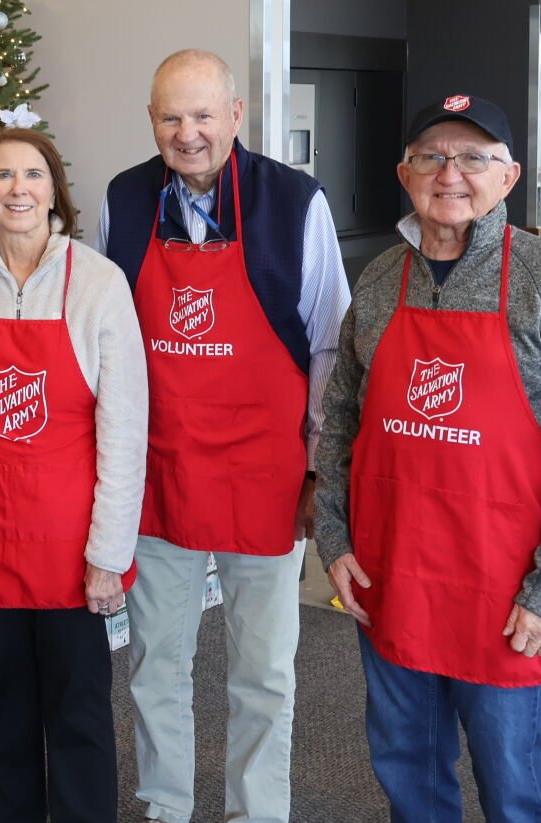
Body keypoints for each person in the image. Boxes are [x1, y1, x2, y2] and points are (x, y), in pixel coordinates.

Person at [317, 94, 541, 822]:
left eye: (474, 157)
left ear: (509, 175)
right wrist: (333, 537)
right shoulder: (376, 279)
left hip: (506, 597)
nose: (449, 172)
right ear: (404, 171)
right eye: (430, 155)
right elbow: (338, 422)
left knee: (515, 794)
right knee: (409, 785)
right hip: (392, 584)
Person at [97, 49, 349, 823]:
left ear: (234, 117)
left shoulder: (294, 202)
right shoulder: (124, 199)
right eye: (171, 116)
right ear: (151, 121)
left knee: (263, 670)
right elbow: (108, 334)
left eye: (203, 114)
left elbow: (328, 347)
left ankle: (256, 812)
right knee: (154, 665)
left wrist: (316, 475)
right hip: (159, 472)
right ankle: (166, 806)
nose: (188, 132)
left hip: (263, 476)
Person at [0, 127, 148, 822]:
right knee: (4, 706)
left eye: (33, 174)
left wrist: (108, 552)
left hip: (71, 541)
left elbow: (125, 430)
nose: (18, 187)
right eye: (2, 174)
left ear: (55, 191)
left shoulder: (98, 282)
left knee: (76, 711)